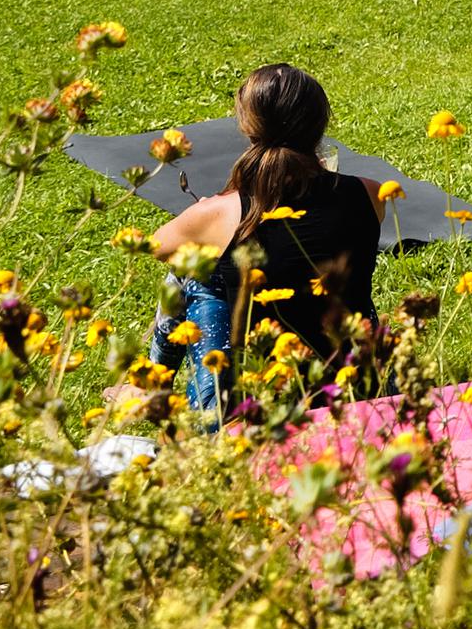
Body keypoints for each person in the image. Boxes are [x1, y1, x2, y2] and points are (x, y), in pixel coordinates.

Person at [147, 62, 386, 414]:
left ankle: (153, 384)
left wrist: (211, 216)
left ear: (247, 126)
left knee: (194, 272)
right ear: (322, 123)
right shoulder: (371, 194)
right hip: (357, 392)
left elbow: (158, 246)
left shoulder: (221, 214)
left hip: (255, 412)